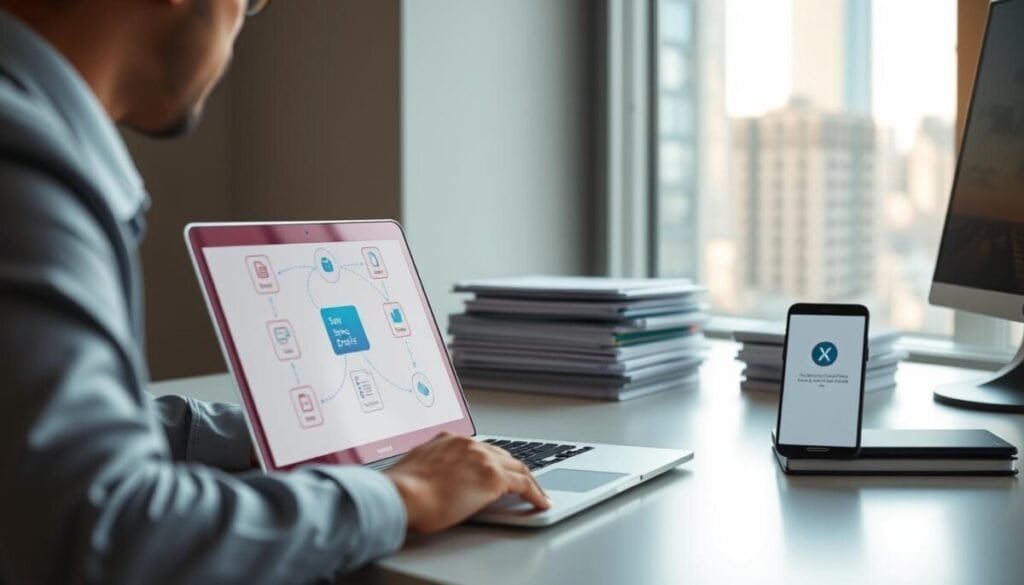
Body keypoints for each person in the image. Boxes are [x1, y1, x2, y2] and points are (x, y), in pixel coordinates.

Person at [0, 0, 549, 582]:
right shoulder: (24, 171)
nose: (240, 27)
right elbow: (104, 536)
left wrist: (279, 434)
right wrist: (400, 494)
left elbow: (28, 432)